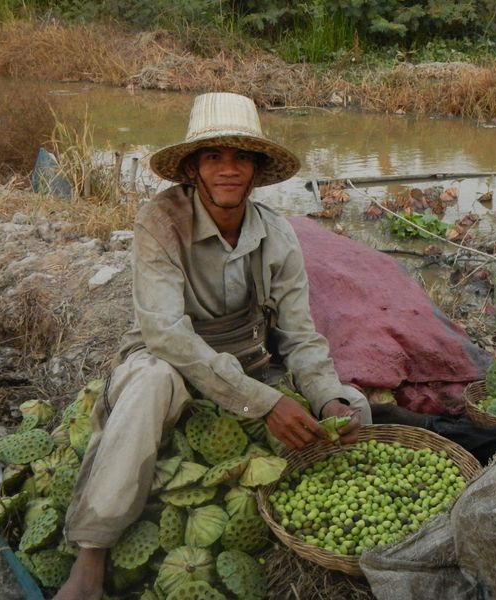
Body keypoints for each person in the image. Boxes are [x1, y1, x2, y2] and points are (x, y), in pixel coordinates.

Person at [54, 93, 372, 600]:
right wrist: (263, 403)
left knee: (352, 405)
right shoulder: (159, 222)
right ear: (192, 169)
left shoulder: (277, 234)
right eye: (214, 156)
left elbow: (299, 336)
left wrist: (325, 396)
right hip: (170, 362)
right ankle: (91, 555)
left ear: (257, 168)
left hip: (251, 365)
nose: (229, 170)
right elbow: (165, 334)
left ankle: (348, 529)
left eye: (241, 157)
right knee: (151, 380)